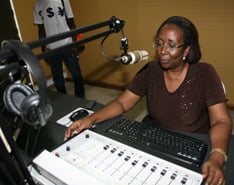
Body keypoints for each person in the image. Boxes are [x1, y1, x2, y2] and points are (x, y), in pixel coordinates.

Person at [64, 16, 233, 185]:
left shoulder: (205, 73)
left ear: (187, 50)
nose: (163, 50)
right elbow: (122, 103)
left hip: (193, 147)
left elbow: (221, 120)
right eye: (159, 43)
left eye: (172, 45)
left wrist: (218, 156)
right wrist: (89, 119)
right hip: (155, 141)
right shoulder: (151, 70)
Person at [33, 0, 85, 98]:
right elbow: (41, 30)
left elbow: (71, 23)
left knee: (77, 75)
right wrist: (44, 51)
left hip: (67, 44)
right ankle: (63, 100)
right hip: (52, 48)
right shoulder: (37, 4)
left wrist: (75, 44)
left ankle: (81, 99)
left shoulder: (63, 0)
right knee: (58, 80)